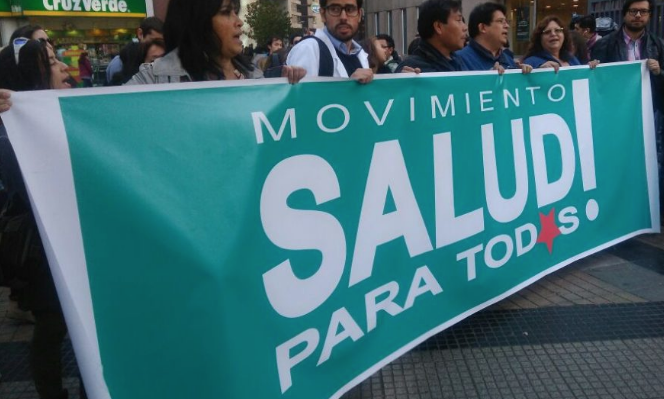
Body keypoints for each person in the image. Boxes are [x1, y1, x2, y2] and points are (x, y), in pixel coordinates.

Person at [0, 38, 72, 399]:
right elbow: (21, 185)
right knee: (53, 324)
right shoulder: (11, 126)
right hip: (42, 251)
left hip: (73, 241)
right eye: (51, 61)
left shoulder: (69, 112)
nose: (63, 67)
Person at [127, 0, 305, 84]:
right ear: (197, 20)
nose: (239, 22)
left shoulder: (254, 75)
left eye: (236, 12)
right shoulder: (153, 79)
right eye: (226, 12)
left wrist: (281, 94)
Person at [286, 0, 373, 83]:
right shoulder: (308, 49)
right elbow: (301, 96)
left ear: (359, 15)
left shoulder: (359, 54)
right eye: (335, 9)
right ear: (323, 14)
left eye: (350, 9)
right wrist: (348, 88)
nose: (343, 17)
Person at [456, 2, 531, 73]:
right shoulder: (459, 60)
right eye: (500, 21)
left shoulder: (509, 61)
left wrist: (523, 76)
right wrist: (489, 79)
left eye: (506, 22)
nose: (507, 26)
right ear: (482, 28)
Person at [396, 0, 468, 73]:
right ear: (438, 27)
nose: (465, 28)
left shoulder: (459, 62)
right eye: (459, 20)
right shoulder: (411, 70)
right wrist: (403, 82)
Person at [106, 17, 164, 84]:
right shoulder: (118, 63)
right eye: (154, 41)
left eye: (161, 43)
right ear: (140, 34)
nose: (157, 47)